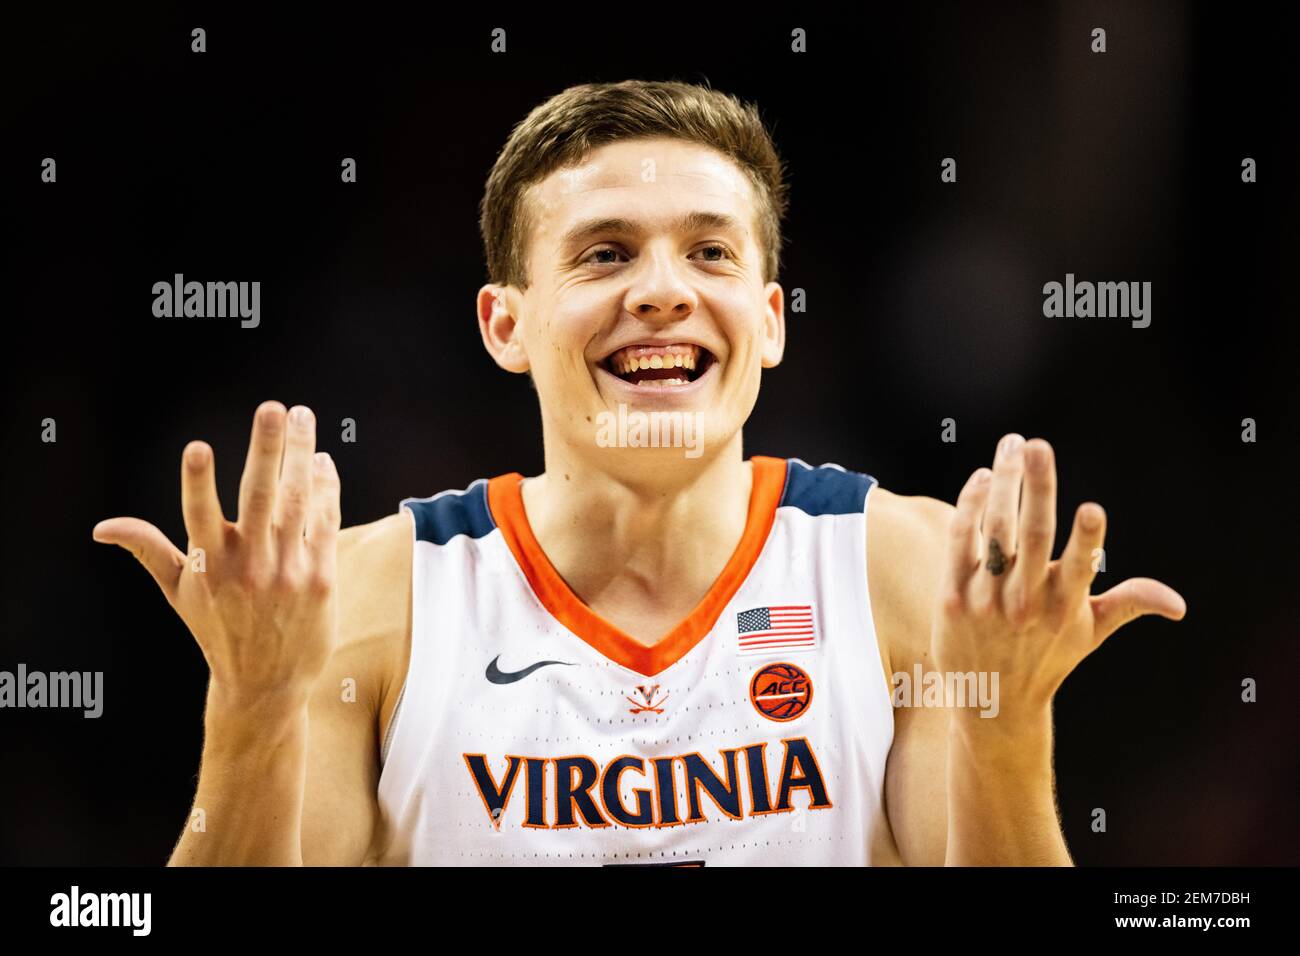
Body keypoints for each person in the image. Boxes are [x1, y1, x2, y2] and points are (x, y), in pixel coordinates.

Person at [92, 80, 1186, 866]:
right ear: (505, 322)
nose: (663, 290)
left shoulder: (904, 567)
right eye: (605, 251)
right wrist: (251, 703)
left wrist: (1003, 720)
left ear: (767, 320)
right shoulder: (371, 599)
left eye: (710, 252)